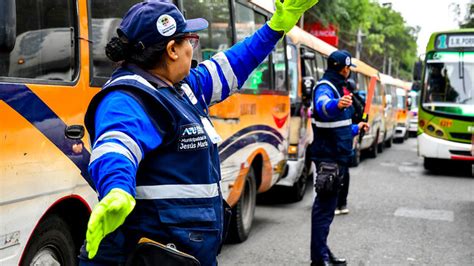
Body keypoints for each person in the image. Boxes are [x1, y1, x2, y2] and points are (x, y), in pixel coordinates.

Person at [78, 0, 319, 265]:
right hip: (151, 255)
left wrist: (274, 28)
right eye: (189, 42)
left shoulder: (179, 86)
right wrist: (116, 190)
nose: (192, 50)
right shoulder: (128, 98)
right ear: (172, 50)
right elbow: (116, 146)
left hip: (184, 253)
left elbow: (233, 63)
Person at [310, 50, 369, 266]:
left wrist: (357, 127)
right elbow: (322, 108)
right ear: (339, 67)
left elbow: (339, 126)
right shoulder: (325, 87)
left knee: (327, 211)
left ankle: (323, 253)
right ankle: (319, 259)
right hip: (328, 159)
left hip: (337, 156)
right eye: (346, 67)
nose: (347, 71)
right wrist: (337, 104)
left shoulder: (339, 88)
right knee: (323, 211)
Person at [334, 78, 364, 215]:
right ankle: (342, 204)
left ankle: (337, 204)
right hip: (350, 137)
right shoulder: (354, 99)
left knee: (339, 171)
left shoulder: (345, 99)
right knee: (344, 171)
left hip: (344, 137)